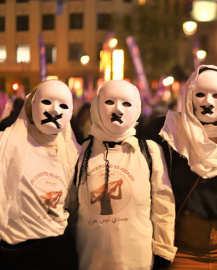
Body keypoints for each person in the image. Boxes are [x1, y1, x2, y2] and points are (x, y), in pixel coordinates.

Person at [148, 65, 217, 269]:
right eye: (199, 94)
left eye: (216, 95)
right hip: (182, 249)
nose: (207, 102)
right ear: (189, 96)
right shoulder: (169, 133)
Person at [0, 80, 80, 270]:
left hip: (57, 255)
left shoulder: (73, 152)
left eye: (63, 105)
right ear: (31, 105)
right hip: (12, 256)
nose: (55, 110)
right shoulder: (1, 144)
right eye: (47, 102)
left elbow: (75, 213)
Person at [69, 80, 176, 270]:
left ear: (136, 108)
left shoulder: (149, 152)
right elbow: (71, 209)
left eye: (126, 103)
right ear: (96, 105)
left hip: (138, 263)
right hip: (89, 262)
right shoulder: (80, 152)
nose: (117, 109)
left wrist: (163, 252)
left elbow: (164, 206)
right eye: (109, 102)